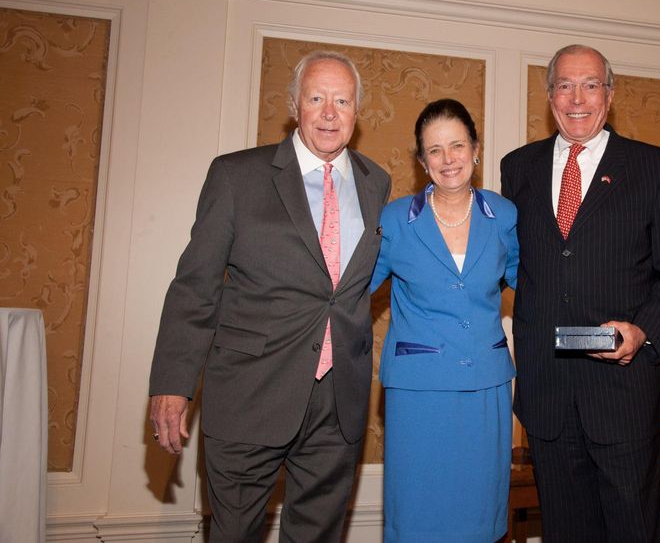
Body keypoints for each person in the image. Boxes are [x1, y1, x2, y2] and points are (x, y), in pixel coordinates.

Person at [148, 50, 391, 542]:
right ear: (294, 105)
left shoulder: (375, 182)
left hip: (337, 402)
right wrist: (173, 383)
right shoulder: (237, 176)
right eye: (316, 98)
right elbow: (195, 285)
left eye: (342, 100)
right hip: (249, 394)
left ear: (357, 111)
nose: (329, 112)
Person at [500, 44, 660, 542]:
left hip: (623, 394)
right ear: (549, 96)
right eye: (564, 85)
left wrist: (643, 332)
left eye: (590, 84)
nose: (577, 98)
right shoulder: (516, 168)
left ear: (610, 95)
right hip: (546, 397)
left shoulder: (655, 168)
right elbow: (512, 265)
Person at [371, 98, 519, 543]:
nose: (448, 159)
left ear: (476, 148)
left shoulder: (504, 215)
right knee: (419, 513)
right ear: (421, 161)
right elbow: (351, 291)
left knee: (479, 516)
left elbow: (535, 286)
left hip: (485, 388)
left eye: (457, 145)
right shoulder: (395, 219)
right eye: (434, 150)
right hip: (418, 391)